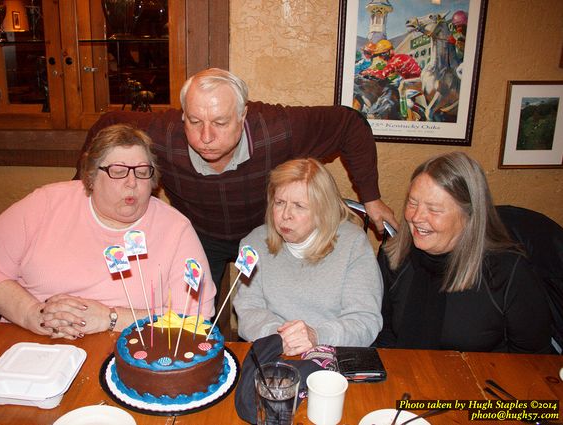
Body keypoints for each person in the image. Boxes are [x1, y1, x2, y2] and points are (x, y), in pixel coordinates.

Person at [79, 68, 397, 306]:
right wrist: (81, 195)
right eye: (194, 121)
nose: (205, 137)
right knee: (193, 320)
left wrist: (371, 197)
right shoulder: (162, 132)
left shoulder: (278, 128)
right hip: (200, 234)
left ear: (243, 115)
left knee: (274, 311)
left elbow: (349, 123)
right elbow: (105, 127)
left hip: (267, 233)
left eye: (220, 122)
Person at [0, 124, 216, 340]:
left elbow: (195, 320)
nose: (132, 183)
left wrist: (111, 318)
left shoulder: (175, 230)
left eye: (142, 172)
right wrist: (33, 314)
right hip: (31, 344)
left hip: (129, 354)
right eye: (118, 171)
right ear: (91, 176)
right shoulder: (45, 204)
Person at [374, 152, 552, 353]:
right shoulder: (394, 257)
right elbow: (385, 335)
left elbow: (534, 359)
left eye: (434, 209)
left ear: (469, 215)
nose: (416, 217)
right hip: (411, 377)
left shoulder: (508, 271)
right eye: (412, 203)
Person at [232, 158, 383, 356]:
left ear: (323, 209)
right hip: (272, 352)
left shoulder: (353, 244)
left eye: (299, 206)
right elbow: (248, 310)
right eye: (279, 203)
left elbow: (364, 319)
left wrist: (316, 336)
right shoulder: (253, 245)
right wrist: (279, 338)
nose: (286, 215)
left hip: (334, 353)